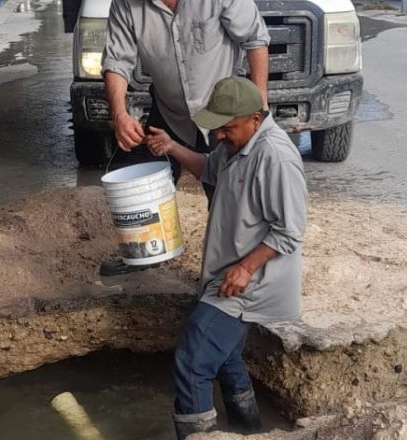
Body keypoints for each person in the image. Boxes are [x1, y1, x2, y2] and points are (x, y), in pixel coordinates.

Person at [146, 76, 307, 439]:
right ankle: (248, 429)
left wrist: (245, 268)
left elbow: (291, 229)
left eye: (227, 127)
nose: (220, 135)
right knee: (227, 358)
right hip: (228, 274)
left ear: (255, 117)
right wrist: (172, 146)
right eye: (217, 128)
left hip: (247, 285)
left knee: (192, 362)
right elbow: (209, 169)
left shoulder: (276, 157)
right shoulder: (236, 144)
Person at [98, 0, 271, 276]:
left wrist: (260, 100)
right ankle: (145, 254)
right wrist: (119, 114)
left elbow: (255, 39)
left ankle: (235, 266)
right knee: (138, 174)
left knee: (226, 191)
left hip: (220, 113)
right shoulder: (126, 3)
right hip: (170, 109)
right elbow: (117, 60)